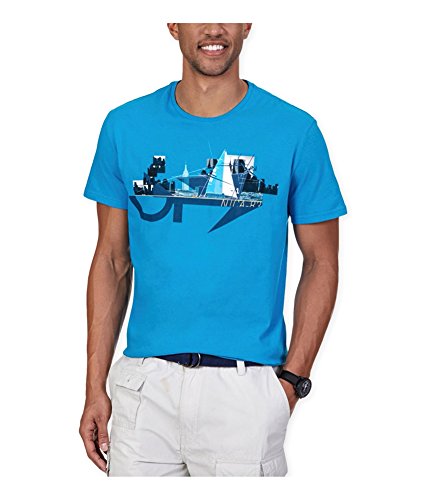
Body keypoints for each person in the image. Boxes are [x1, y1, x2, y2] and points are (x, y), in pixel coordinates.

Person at [79, 23, 347, 477]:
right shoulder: (124, 126)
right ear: (172, 24)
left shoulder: (295, 130)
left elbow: (322, 261)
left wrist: (292, 381)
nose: (213, 27)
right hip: (144, 388)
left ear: (247, 24)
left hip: (246, 390)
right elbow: (111, 260)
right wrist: (93, 386)